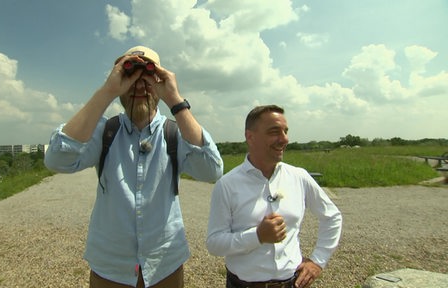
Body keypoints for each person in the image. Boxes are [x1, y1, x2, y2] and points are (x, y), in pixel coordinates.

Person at [44, 46, 223, 288]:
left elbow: (212, 170)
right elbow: (56, 160)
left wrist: (175, 100)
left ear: (160, 79)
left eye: (148, 75)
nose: (139, 84)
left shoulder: (175, 132)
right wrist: (107, 92)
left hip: (164, 266)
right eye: (130, 74)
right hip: (111, 268)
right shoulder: (105, 131)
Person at [206, 105, 342, 288]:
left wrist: (318, 261)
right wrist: (258, 235)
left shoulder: (299, 177)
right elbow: (214, 243)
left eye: (285, 131)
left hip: (293, 283)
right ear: (250, 137)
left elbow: (332, 216)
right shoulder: (227, 184)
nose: (284, 139)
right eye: (274, 132)